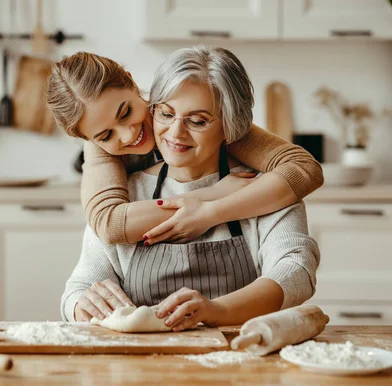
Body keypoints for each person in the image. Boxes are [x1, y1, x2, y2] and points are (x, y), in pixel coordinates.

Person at [60, 47, 320, 329]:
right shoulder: (124, 195)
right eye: (166, 114)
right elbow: (81, 284)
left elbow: (295, 272)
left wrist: (216, 310)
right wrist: (79, 304)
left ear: (231, 126)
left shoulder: (263, 189)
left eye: (197, 121)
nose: (175, 133)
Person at [46, 48, 323, 246]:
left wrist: (213, 214)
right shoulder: (98, 148)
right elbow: (110, 223)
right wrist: (210, 195)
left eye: (126, 112)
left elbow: (303, 169)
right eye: (106, 135)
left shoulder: (182, 110)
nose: (129, 134)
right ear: (88, 139)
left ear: (132, 84)